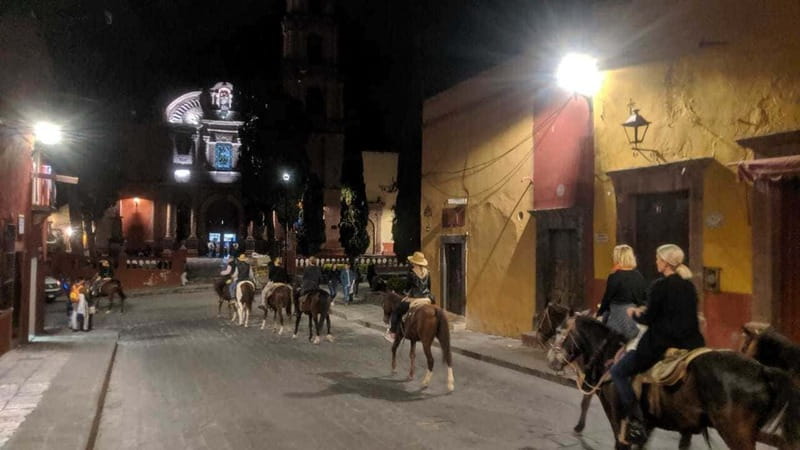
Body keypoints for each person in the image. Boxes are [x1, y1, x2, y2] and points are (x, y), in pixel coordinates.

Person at [609, 244, 705, 445]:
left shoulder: (660, 286)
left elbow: (649, 319)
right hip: (691, 343)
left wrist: (634, 313)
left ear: (666, 263)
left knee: (618, 371)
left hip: (661, 343)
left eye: (658, 259)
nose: (656, 262)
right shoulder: (689, 286)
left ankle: (636, 419)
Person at [596, 245, 647, 341]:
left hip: (618, 315)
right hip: (635, 316)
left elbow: (607, 298)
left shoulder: (615, 276)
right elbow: (643, 298)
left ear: (618, 257)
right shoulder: (638, 275)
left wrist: (599, 313)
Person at [385, 251, 432, 342]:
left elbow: (407, 288)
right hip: (427, 298)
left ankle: (392, 332)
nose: (411, 263)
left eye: (412, 261)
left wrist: (405, 294)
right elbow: (429, 287)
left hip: (415, 299)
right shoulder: (428, 272)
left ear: (414, 262)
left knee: (396, 311)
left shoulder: (411, 273)